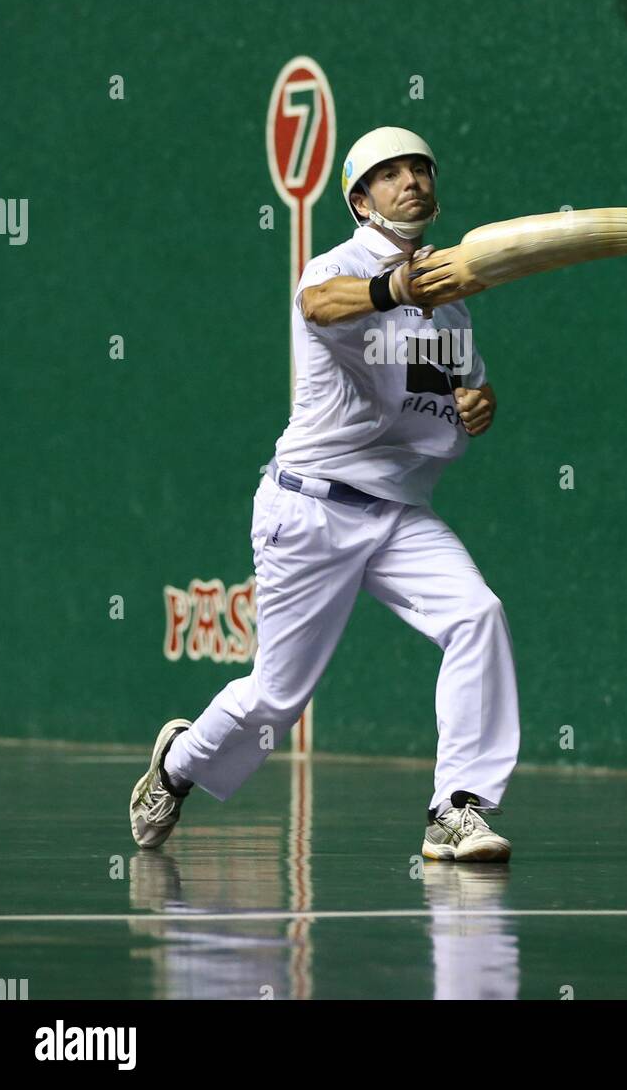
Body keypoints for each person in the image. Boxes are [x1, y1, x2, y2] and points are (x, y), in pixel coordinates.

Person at [130, 126, 520, 862]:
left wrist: (480, 403)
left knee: (478, 615)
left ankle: (457, 808)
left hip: (399, 514)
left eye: (421, 169)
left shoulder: (453, 304)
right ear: (360, 198)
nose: (411, 180)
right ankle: (178, 765)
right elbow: (321, 307)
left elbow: (470, 385)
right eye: (390, 173)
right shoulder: (338, 269)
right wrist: (391, 287)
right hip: (310, 509)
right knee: (277, 699)